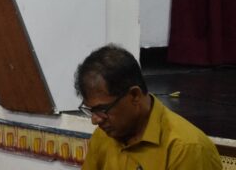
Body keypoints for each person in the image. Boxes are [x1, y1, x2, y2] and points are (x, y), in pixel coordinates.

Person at [75, 44, 221, 170]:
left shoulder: (186, 148)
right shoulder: (104, 136)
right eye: (91, 110)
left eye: (102, 109)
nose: (95, 120)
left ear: (135, 95)